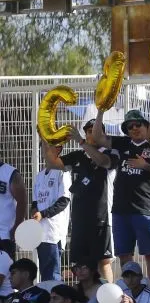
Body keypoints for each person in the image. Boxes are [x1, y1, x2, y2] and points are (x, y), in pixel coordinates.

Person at [92, 109, 150, 286]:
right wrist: (101, 111)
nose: (134, 128)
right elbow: (98, 138)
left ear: (146, 126)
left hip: (145, 209)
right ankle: (130, 291)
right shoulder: (123, 143)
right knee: (124, 254)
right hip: (120, 209)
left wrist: (146, 166)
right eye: (129, 126)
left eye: (137, 124)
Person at [45, 120, 115, 280]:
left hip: (102, 218)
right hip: (79, 218)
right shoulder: (78, 155)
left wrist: (81, 141)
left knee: (103, 261)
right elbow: (52, 163)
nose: (92, 135)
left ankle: (107, 294)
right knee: (80, 262)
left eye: (96, 131)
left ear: (103, 134)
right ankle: (85, 293)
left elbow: (102, 162)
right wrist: (46, 139)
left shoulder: (110, 153)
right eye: (89, 132)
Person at [31, 150, 71, 282]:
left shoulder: (62, 172)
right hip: (40, 233)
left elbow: (63, 201)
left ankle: (54, 294)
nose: (46, 150)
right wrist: (34, 212)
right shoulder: (39, 175)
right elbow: (35, 202)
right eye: (44, 147)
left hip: (53, 232)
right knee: (44, 273)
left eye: (49, 147)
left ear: (58, 150)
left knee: (52, 274)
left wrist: (43, 214)